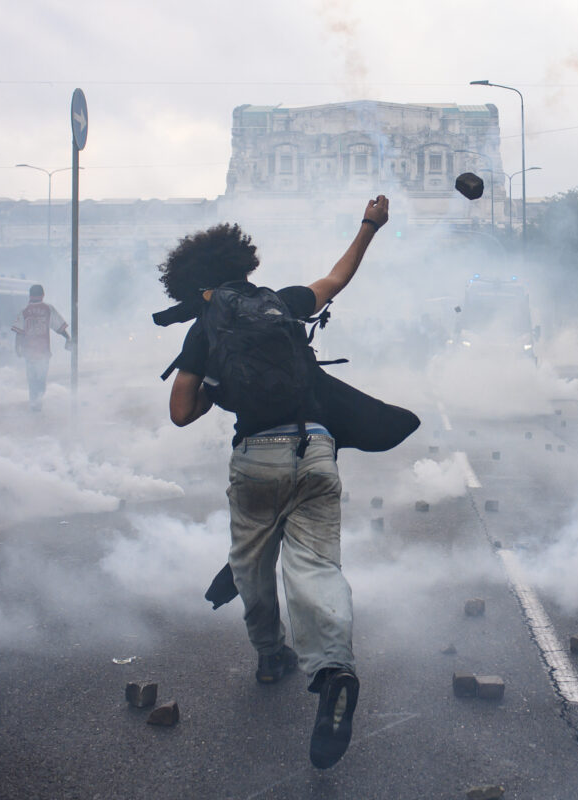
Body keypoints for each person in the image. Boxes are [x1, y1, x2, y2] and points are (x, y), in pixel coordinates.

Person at [160, 195, 402, 770]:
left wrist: (222, 384)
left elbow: (180, 411)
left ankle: (271, 656)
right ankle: (334, 666)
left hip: (256, 459)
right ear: (244, 264)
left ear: (194, 282)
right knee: (316, 566)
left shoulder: (206, 325)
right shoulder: (282, 304)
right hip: (316, 448)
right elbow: (337, 278)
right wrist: (369, 224)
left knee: (252, 565)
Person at [11, 284, 70, 412]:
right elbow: (59, 327)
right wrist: (67, 337)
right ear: (43, 295)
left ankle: (34, 404)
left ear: (30, 295)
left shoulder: (24, 310)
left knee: (32, 380)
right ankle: (38, 401)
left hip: (29, 353)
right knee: (41, 379)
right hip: (43, 352)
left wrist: (17, 348)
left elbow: (19, 332)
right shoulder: (48, 309)